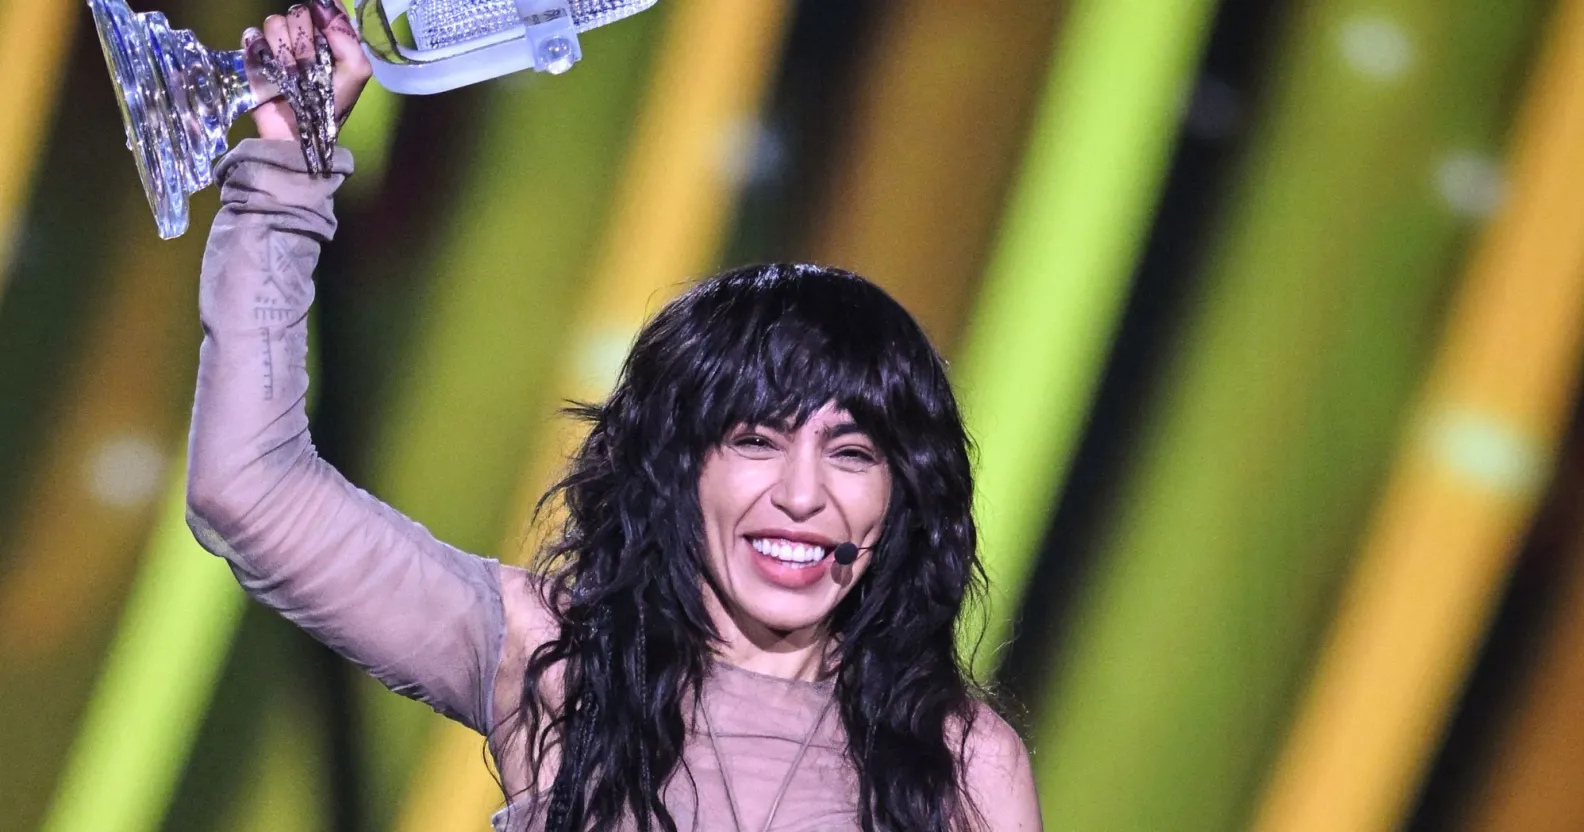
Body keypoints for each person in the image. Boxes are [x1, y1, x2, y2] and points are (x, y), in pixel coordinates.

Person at [185, 3, 1041, 830]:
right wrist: (286, 178)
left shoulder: (965, 763)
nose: (802, 495)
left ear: (901, 493)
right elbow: (248, 488)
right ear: (678, 466)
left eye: (852, 453)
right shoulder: (551, 660)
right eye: (755, 441)